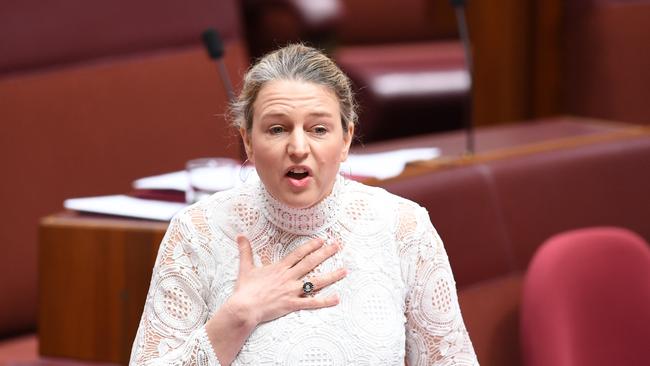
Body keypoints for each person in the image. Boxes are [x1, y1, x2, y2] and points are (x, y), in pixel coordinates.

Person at [129, 44, 479, 366]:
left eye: (318, 129)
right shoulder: (198, 232)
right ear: (248, 141)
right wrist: (237, 316)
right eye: (278, 129)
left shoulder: (405, 228)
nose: (298, 147)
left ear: (345, 140)